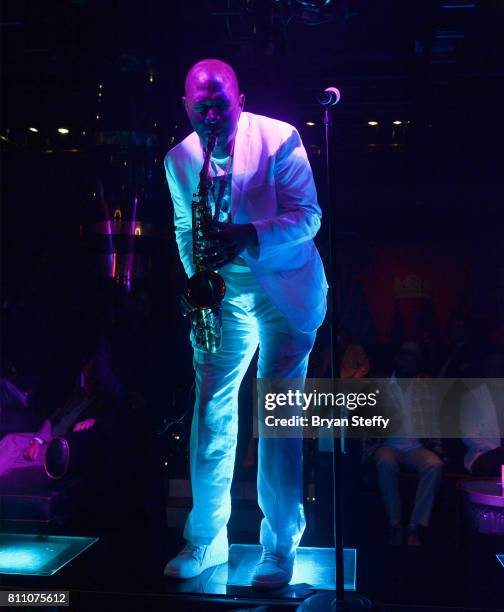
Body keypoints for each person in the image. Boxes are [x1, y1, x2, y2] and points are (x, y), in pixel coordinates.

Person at [163, 59, 327, 589]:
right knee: (211, 416)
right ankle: (207, 539)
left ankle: (278, 549)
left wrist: (247, 233)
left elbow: (309, 216)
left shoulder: (280, 138)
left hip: (283, 289)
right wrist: (200, 286)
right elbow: (186, 229)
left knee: (277, 419)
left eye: (220, 104)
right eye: (200, 106)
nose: (210, 114)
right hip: (223, 294)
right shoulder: (180, 158)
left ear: (240, 98)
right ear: (186, 106)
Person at [363, 342, 445, 546]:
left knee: (434, 465)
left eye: (412, 358)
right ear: (397, 359)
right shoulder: (380, 384)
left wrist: (437, 446)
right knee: (385, 462)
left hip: (416, 447)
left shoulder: (424, 387)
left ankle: (414, 526)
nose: (407, 362)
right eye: (404, 357)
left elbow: (432, 421)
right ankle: (395, 524)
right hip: (387, 445)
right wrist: (368, 448)